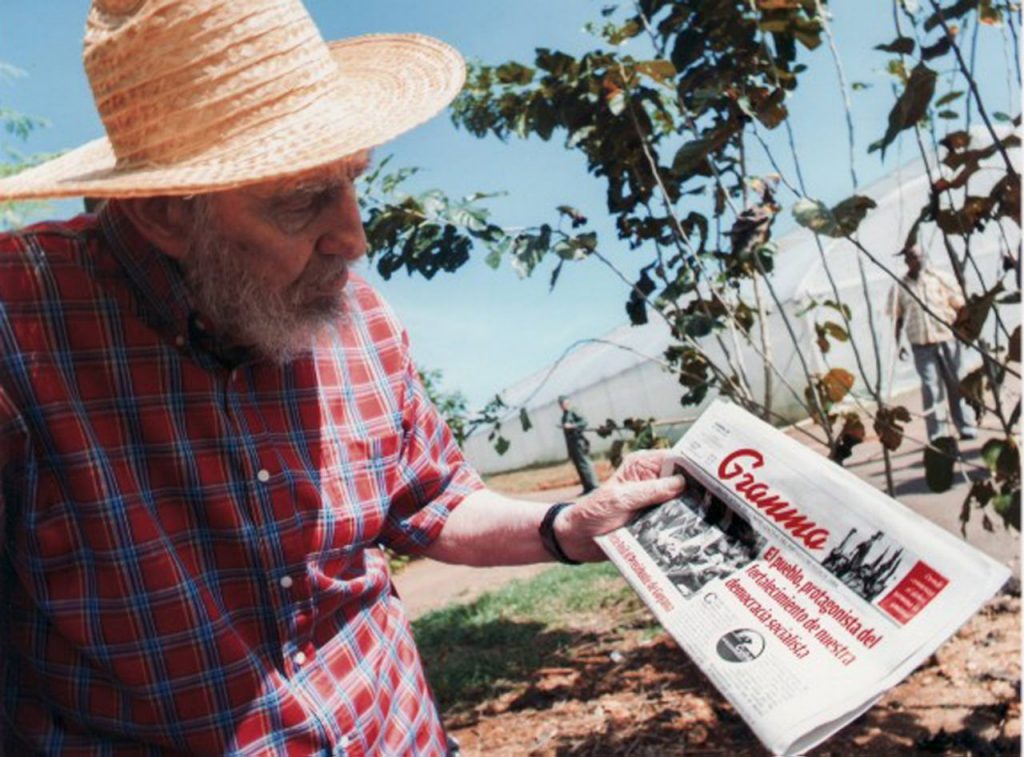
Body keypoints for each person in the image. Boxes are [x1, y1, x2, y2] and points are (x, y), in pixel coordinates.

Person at [0, 2, 685, 753]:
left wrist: (566, 527)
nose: (355, 238)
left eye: (353, 180)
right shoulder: (22, 325)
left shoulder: (358, 319)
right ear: (165, 211)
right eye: (301, 201)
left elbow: (432, 499)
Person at [889, 243, 978, 441]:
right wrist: (899, 343)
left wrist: (961, 331)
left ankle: (966, 426)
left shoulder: (940, 279)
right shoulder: (900, 287)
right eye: (911, 257)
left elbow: (961, 306)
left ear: (924, 257)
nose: (915, 260)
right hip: (921, 345)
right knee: (931, 387)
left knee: (957, 383)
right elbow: (898, 317)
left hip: (946, 339)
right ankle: (938, 434)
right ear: (906, 260)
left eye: (918, 256)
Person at [558, 394, 600, 493]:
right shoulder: (564, 416)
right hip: (572, 443)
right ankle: (587, 487)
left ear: (568, 402)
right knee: (578, 466)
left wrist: (572, 425)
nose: (563, 405)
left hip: (578, 441)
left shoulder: (573, 411)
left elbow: (584, 422)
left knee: (585, 464)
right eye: (561, 404)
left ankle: (594, 486)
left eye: (564, 403)